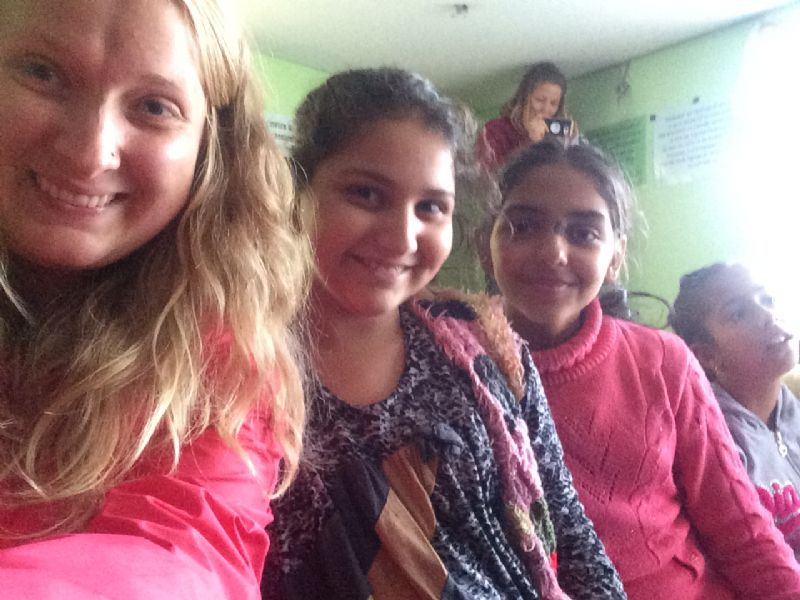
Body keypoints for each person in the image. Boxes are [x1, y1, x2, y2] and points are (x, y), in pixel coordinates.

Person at [263, 67, 625, 600]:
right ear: (298, 192)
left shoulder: (486, 345)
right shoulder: (238, 364)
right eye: (366, 194)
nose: (402, 237)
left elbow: (568, 530)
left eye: (431, 207)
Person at [0, 0, 308, 598]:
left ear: (210, 151)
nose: (89, 152)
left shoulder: (220, 363)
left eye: (153, 107)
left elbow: (185, 552)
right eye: (42, 72)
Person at [486, 139, 800, 599]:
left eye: (584, 233)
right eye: (525, 225)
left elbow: (742, 532)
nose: (553, 252)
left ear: (615, 256)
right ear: (488, 238)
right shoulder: (453, 369)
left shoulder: (664, 361)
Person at [671, 263, 800, 558]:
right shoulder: (713, 439)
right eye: (739, 313)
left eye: (767, 300)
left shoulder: (791, 407)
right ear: (706, 355)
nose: (767, 315)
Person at [475, 61, 576, 172]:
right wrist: (530, 142)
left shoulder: (556, 135)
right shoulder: (495, 130)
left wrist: (573, 144)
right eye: (540, 100)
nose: (546, 109)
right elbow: (486, 175)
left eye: (553, 103)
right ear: (524, 98)